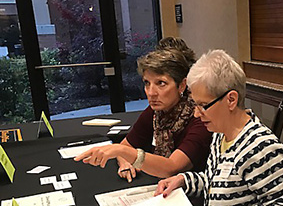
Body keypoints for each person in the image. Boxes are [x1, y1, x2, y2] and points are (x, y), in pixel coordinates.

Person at [155, 49, 283, 206]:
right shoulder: (220, 134)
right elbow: (215, 181)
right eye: (195, 105)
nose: (196, 114)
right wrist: (184, 180)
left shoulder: (260, 146)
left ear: (231, 100)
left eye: (203, 105)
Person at [74, 38, 211, 182]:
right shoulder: (156, 112)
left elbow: (171, 167)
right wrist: (125, 162)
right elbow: (126, 145)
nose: (151, 93)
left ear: (182, 85)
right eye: (147, 83)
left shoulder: (200, 116)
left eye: (161, 83)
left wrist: (124, 153)